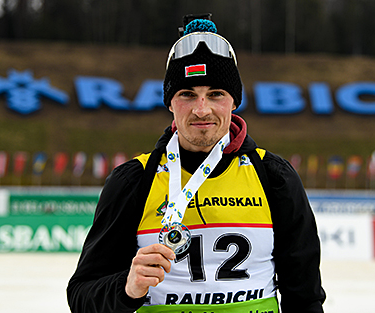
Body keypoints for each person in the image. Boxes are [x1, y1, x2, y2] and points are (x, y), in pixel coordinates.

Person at [67, 14, 326, 313]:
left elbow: (304, 298)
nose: (202, 110)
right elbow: (81, 297)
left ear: (234, 101)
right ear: (170, 103)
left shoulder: (274, 176)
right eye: (187, 95)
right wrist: (127, 287)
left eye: (215, 94)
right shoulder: (134, 180)